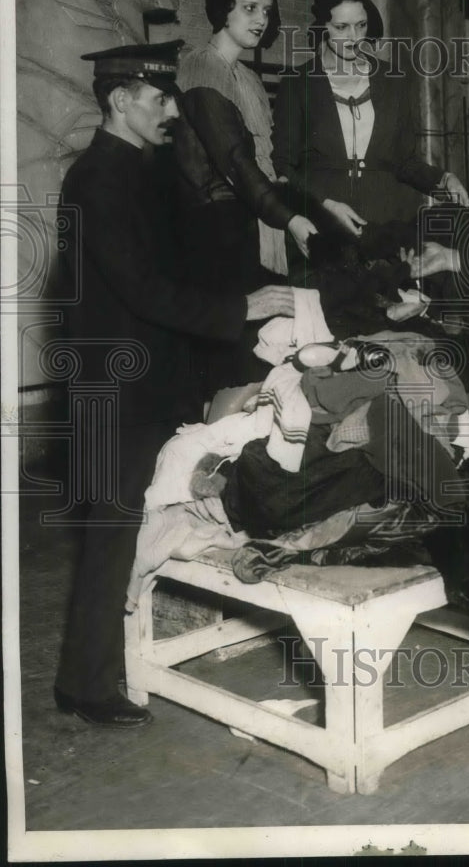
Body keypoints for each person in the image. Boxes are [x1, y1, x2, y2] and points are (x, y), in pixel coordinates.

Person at [53, 41, 296, 728]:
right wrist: (235, 312)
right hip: (113, 387)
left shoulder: (146, 172)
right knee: (112, 527)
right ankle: (85, 682)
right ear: (120, 100)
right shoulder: (96, 180)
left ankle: (149, 647)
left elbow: (186, 265)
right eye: (159, 99)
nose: (170, 111)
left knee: (162, 512)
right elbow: (141, 288)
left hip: (154, 378)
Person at [173, 0, 317, 401]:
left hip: (248, 228)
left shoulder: (250, 79)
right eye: (250, 7)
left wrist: (318, 208)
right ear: (223, 9)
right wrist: (289, 219)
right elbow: (236, 161)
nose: (261, 19)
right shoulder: (200, 69)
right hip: (214, 235)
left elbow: (268, 166)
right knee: (228, 370)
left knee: (256, 364)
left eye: (267, 11)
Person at [272, 0, 469, 237]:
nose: (354, 37)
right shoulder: (297, 84)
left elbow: (404, 162)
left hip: (385, 225)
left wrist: (443, 179)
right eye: (341, 27)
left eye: (361, 25)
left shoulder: (392, 80)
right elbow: (283, 165)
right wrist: (324, 203)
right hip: (323, 227)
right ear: (322, 26)